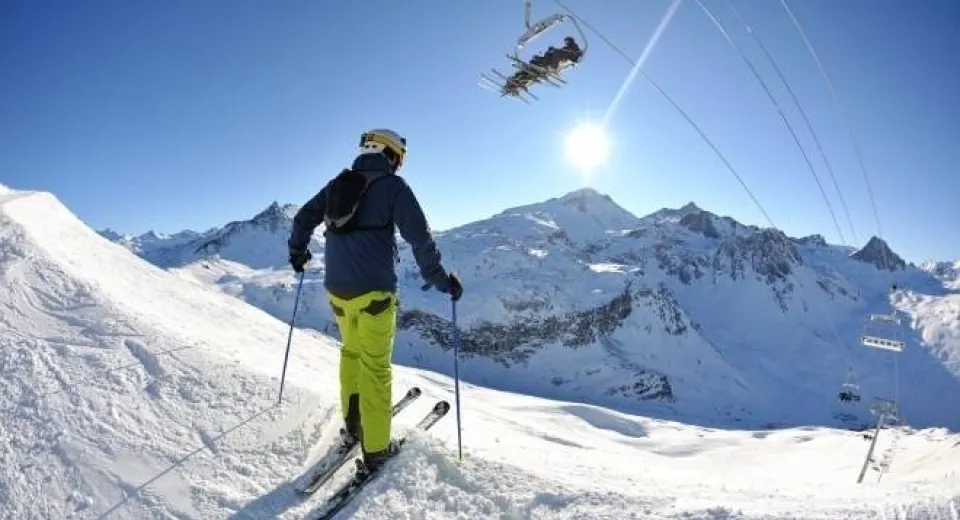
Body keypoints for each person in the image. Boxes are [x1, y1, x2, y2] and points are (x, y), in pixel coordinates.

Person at [287, 128, 463, 471]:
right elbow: (419, 237)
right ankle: (377, 449)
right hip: (375, 295)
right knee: (376, 368)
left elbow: (302, 219)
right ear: (389, 154)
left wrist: (297, 253)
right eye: (398, 158)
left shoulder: (338, 184)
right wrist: (440, 280)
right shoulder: (393, 187)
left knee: (351, 355)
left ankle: (354, 427)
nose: (399, 166)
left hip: (337, 292)